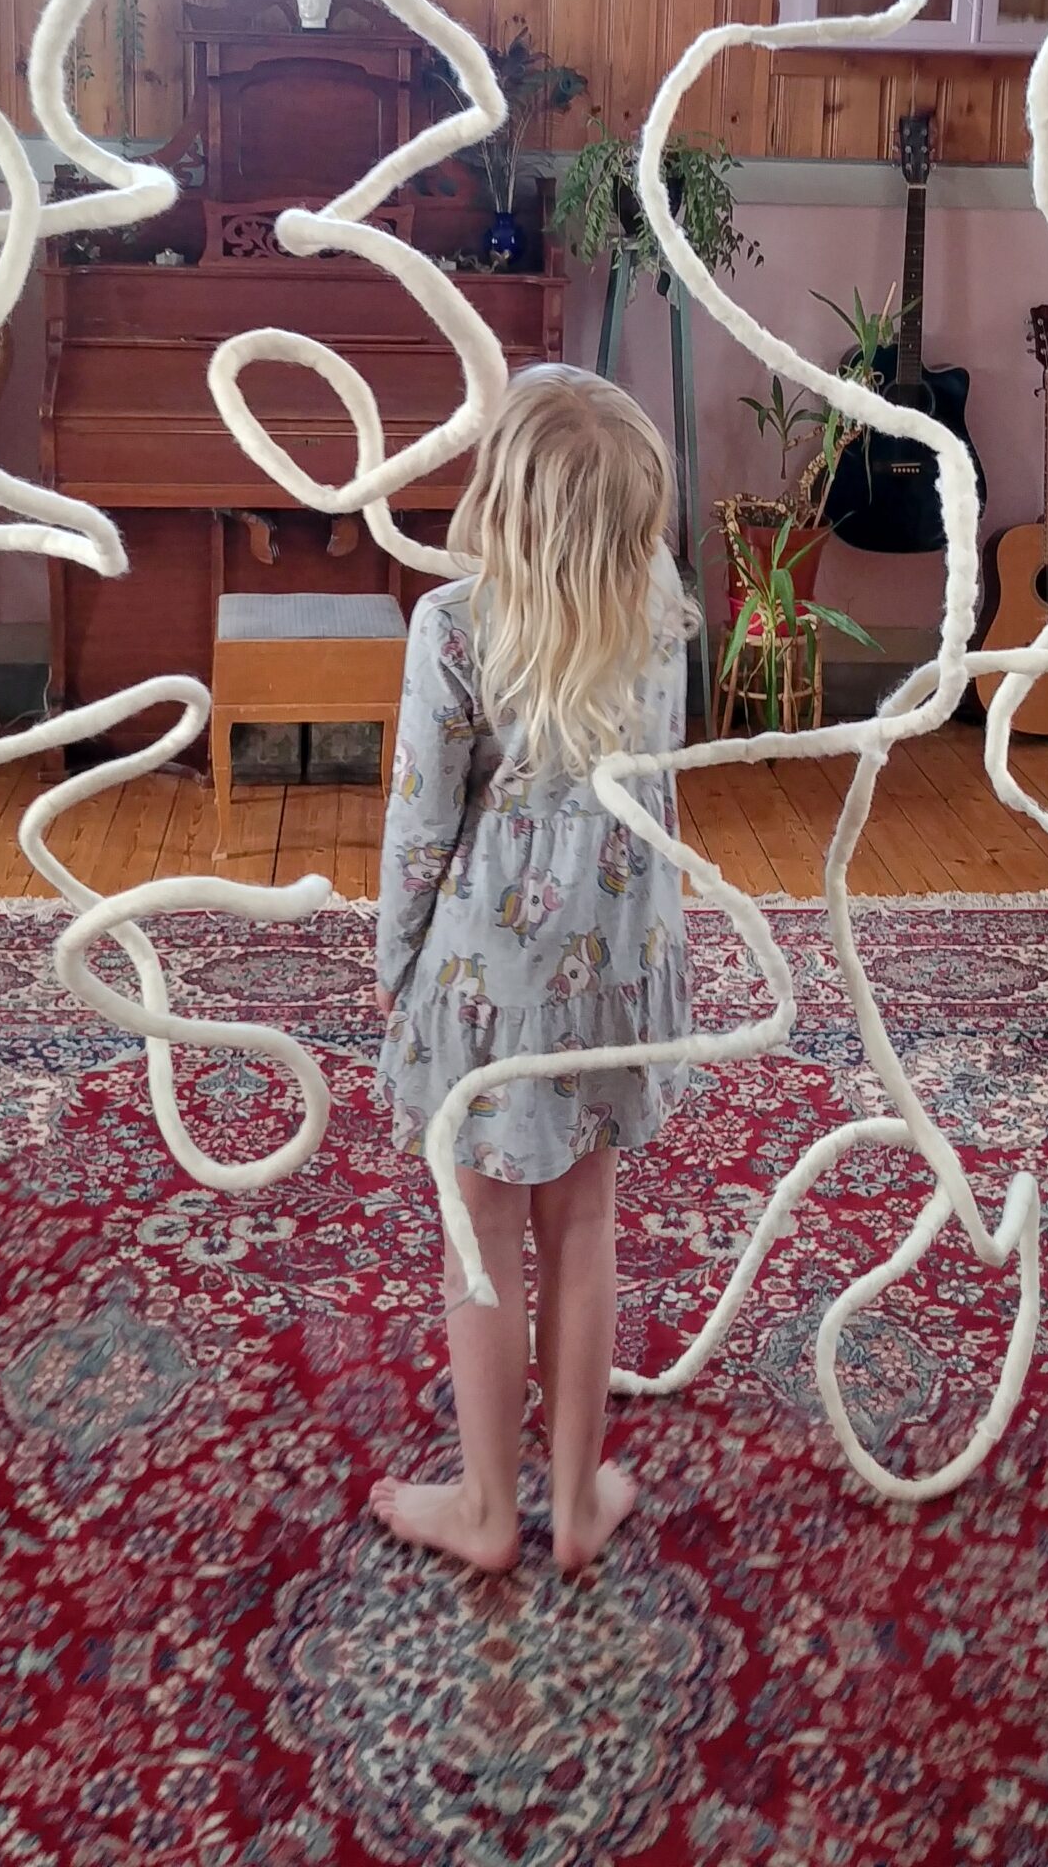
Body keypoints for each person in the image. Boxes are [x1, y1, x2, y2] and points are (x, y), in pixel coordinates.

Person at [371, 365, 693, 1575]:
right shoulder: (660, 608)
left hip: (487, 987)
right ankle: (575, 1500)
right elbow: (657, 791)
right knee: (586, 1221)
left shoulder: (452, 626)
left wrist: (397, 962)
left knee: (484, 1237)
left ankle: (488, 1509)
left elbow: (420, 823)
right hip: (617, 969)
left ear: (500, 501)